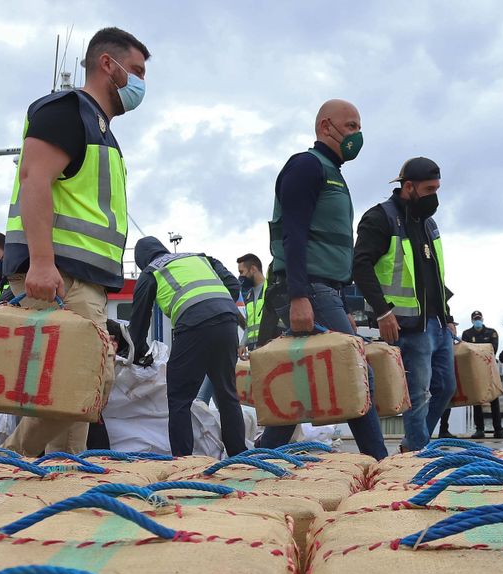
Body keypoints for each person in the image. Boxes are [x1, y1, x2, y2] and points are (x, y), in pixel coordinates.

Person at [0, 26, 149, 456]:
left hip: (85, 281)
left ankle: (61, 478)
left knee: (75, 396)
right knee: (84, 381)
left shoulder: (102, 131)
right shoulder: (67, 111)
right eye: (136, 70)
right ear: (108, 65)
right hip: (60, 277)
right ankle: (8, 459)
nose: (141, 83)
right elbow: (35, 179)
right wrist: (42, 263)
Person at [253, 99, 389, 460]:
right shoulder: (307, 166)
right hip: (309, 287)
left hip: (326, 289)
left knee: (302, 378)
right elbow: (294, 233)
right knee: (356, 370)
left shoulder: (333, 173)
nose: (357, 135)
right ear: (326, 126)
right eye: (351, 127)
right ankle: (378, 461)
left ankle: (261, 456)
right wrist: (299, 296)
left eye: (359, 128)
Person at [353, 156, 456, 452]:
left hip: (437, 323)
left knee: (445, 387)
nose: (434, 196)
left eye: (437, 189)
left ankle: (413, 443)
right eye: (429, 190)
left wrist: (448, 316)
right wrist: (383, 311)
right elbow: (360, 266)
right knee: (418, 394)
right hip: (407, 324)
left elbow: (435, 275)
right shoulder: (380, 218)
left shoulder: (428, 223)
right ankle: (418, 454)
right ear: (408, 187)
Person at [126, 236, 246, 457]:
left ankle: (183, 462)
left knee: (180, 398)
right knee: (227, 393)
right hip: (227, 321)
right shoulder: (200, 258)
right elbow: (233, 284)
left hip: (194, 326)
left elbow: (139, 322)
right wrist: (216, 307)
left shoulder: (152, 271)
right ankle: (239, 456)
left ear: (142, 260)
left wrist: (138, 353)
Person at [462, 310, 503, 436]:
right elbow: (465, 349)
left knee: (494, 399)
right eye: (475, 319)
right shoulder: (467, 334)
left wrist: (476, 350)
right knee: (477, 400)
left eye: (479, 318)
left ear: (482, 319)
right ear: (472, 320)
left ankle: (498, 429)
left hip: (489, 369)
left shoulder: (491, 332)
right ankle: (480, 429)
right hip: (474, 370)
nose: (477, 321)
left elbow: (492, 349)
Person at [237, 253, 266, 350]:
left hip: (268, 347)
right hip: (253, 350)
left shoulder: (270, 290)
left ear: (253, 269)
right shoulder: (248, 296)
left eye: (242, 272)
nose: (240, 276)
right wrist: (242, 344)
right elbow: (249, 325)